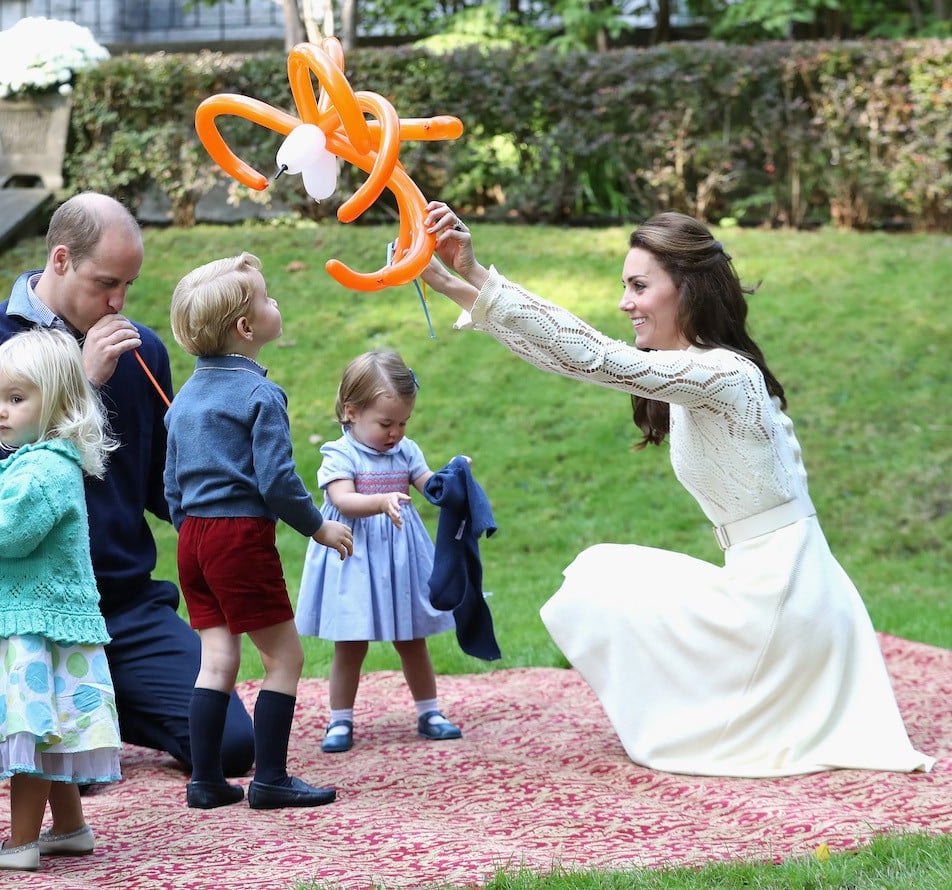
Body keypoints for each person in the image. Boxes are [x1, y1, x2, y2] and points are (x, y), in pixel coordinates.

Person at [420, 201, 934, 778]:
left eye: (639, 286)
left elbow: (592, 357)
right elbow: (565, 358)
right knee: (596, 575)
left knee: (599, 577)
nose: (624, 302)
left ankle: (726, 716)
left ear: (686, 289)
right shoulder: (694, 369)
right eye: (625, 285)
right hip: (773, 585)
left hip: (787, 600)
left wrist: (477, 273)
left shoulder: (724, 374)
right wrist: (448, 278)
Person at [0, 192, 255, 778]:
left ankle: (101, 713)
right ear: (60, 260)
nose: (119, 302)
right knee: (55, 777)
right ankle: (81, 729)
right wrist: (77, 383)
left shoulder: (143, 351)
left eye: (129, 285)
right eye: (107, 283)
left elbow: (168, 487)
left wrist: (237, 498)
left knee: (234, 747)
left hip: (124, 609)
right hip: (34, 612)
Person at [165, 251, 352, 809]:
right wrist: (317, 526)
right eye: (268, 298)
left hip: (193, 539)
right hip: (237, 539)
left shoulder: (185, 399)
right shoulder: (260, 395)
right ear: (247, 329)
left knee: (217, 660)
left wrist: (190, 527)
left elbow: (172, 482)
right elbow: (277, 481)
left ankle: (205, 781)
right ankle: (270, 778)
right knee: (284, 659)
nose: (277, 304)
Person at [0, 328, 121, 871]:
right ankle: (69, 826)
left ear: (59, 401)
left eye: (17, 399)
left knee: (29, 732)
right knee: (46, 729)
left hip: (33, 626)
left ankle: (21, 843)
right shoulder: (32, 463)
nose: (1, 413)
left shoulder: (44, 470)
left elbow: (12, 531)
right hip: (36, 620)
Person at [296, 349, 464, 754]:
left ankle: (430, 711)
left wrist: (455, 478)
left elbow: (430, 486)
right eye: (386, 423)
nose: (396, 433)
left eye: (404, 422)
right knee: (350, 642)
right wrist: (381, 501)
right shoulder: (340, 454)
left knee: (412, 638)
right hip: (354, 553)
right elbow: (344, 499)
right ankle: (340, 720)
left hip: (400, 557)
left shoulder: (407, 451)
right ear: (352, 411)